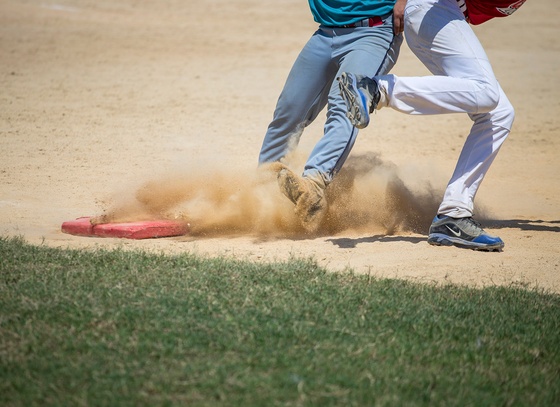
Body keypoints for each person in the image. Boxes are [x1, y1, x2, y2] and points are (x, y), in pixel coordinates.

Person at [338, 0, 527, 251]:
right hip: (434, 12)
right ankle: (377, 89)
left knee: (498, 113)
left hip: (439, 19)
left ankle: (453, 216)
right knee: (487, 93)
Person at [258, 0, 406, 233]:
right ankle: (263, 187)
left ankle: (313, 185)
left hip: (374, 31)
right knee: (289, 110)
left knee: (346, 105)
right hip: (325, 34)